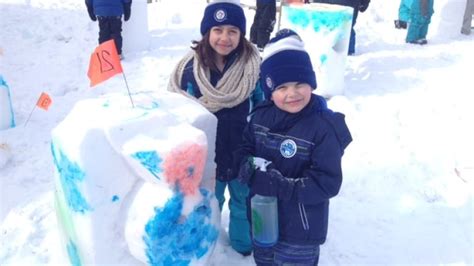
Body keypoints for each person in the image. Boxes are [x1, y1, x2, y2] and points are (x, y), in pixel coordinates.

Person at [234, 29, 352, 265]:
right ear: (269, 91)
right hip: (262, 223)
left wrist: (281, 185)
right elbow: (243, 149)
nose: (292, 94)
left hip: (300, 234)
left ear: (312, 83)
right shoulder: (259, 117)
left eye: (300, 83)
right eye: (281, 87)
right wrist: (246, 167)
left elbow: (326, 182)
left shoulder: (323, 127)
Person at [167, 0, 263, 256]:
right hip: (209, 152)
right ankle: (207, 246)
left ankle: (242, 243)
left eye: (232, 31)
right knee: (210, 201)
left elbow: (261, 108)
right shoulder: (190, 69)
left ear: (241, 35)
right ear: (206, 32)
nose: (224, 37)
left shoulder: (252, 68)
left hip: (243, 151)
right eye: (217, 30)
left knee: (243, 201)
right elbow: (180, 109)